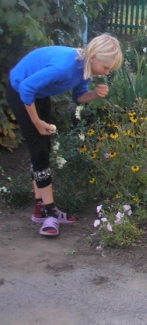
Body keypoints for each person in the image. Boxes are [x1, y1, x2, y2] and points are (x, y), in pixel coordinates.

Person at [7, 33, 124, 237]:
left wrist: (95, 94)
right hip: (20, 91)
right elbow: (26, 87)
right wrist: (37, 122)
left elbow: (79, 97)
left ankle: (39, 208)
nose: (106, 73)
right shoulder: (65, 66)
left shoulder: (84, 69)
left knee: (43, 148)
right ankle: (49, 212)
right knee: (39, 149)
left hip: (38, 94)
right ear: (94, 56)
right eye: (105, 67)